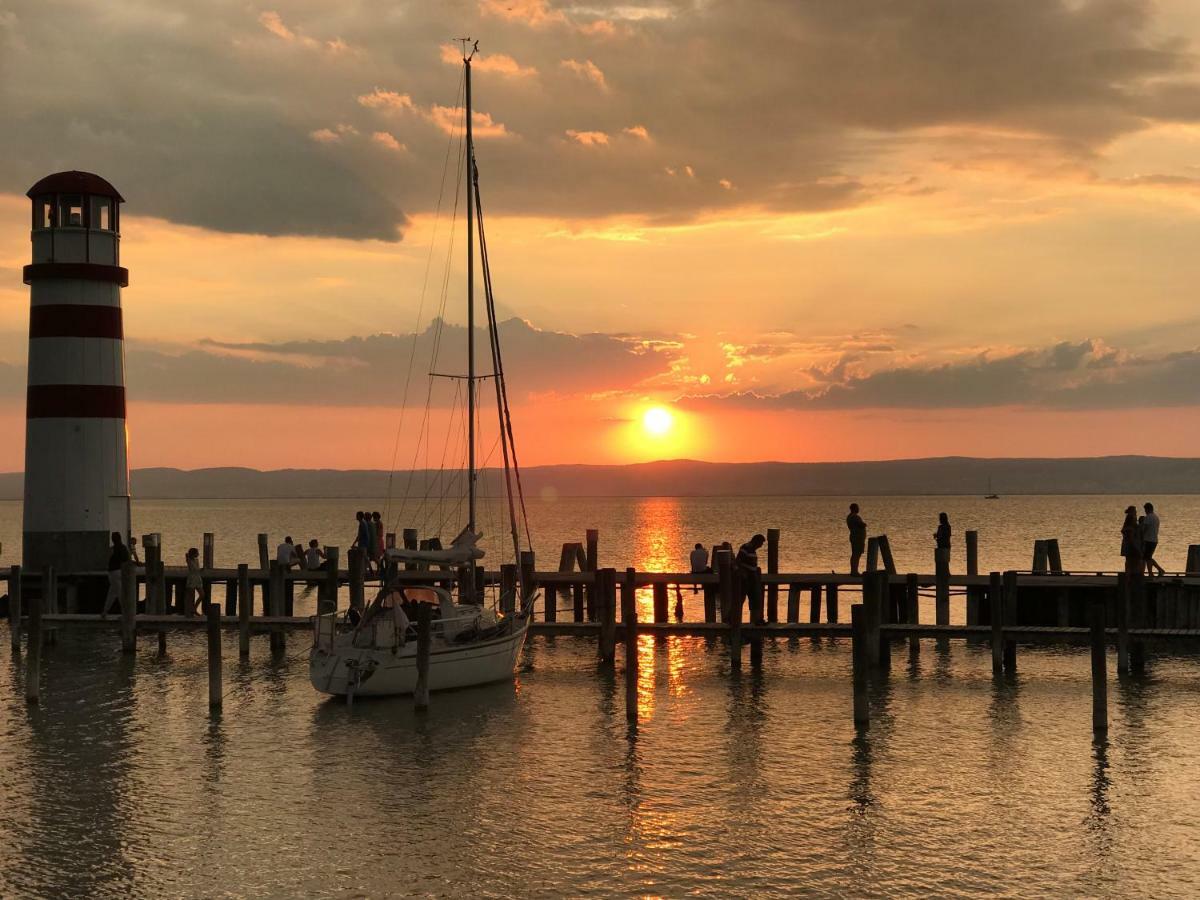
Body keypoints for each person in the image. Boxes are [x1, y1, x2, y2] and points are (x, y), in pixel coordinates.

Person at [735, 533, 766, 624]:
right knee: (740, 599)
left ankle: (756, 620)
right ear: (756, 541)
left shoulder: (752, 549)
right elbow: (738, 561)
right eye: (761, 543)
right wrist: (742, 573)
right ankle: (733, 619)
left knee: (756, 599)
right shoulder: (746, 548)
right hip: (746, 578)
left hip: (753, 577)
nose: (761, 545)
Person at [102, 532, 130, 618]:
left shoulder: (113, 549)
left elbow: (108, 559)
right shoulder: (123, 548)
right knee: (113, 593)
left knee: (118, 593)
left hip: (114, 573)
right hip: (121, 572)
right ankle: (105, 612)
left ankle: (126, 613)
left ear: (113, 539)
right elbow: (127, 559)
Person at [1142, 502, 1165, 576]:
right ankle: (1150, 573)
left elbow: (1144, 529)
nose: (1145, 511)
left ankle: (1159, 570)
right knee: (1148, 557)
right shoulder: (1156, 517)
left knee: (1147, 557)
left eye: (1145, 510)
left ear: (1148, 509)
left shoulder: (1148, 517)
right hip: (1154, 540)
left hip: (1148, 540)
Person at [1120, 505, 1142, 577]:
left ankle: (1128, 577)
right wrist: (1137, 548)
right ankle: (1131, 578)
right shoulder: (1131, 528)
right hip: (1131, 547)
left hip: (1127, 545)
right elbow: (1131, 539)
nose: (1136, 512)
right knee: (1133, 562)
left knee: (1129, 562)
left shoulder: (1127, 526)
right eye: (1135, 511)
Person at [846, 503, 867, 575]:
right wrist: (864, 524)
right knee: (856, 555)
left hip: (855, 537)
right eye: (857, 507)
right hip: (857, 538)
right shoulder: (855, 517)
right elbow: (862, 524)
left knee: (855, 554)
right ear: (854, 508)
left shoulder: (849, 516)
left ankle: (853, 571)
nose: (859, 509)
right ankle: (854, 571)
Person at [185, 547, 205, 613]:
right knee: (191, 596)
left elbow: (197, 569)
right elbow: (187, 556)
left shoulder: (196, 560)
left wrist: (201, 570)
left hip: (198, 578)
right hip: (192, 579)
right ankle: (189, 611)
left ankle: (194, 608)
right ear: (193, 554)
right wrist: (188, 555)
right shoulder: (189, 560)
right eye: (197, 552)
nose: (198, 554)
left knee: (202, 595)